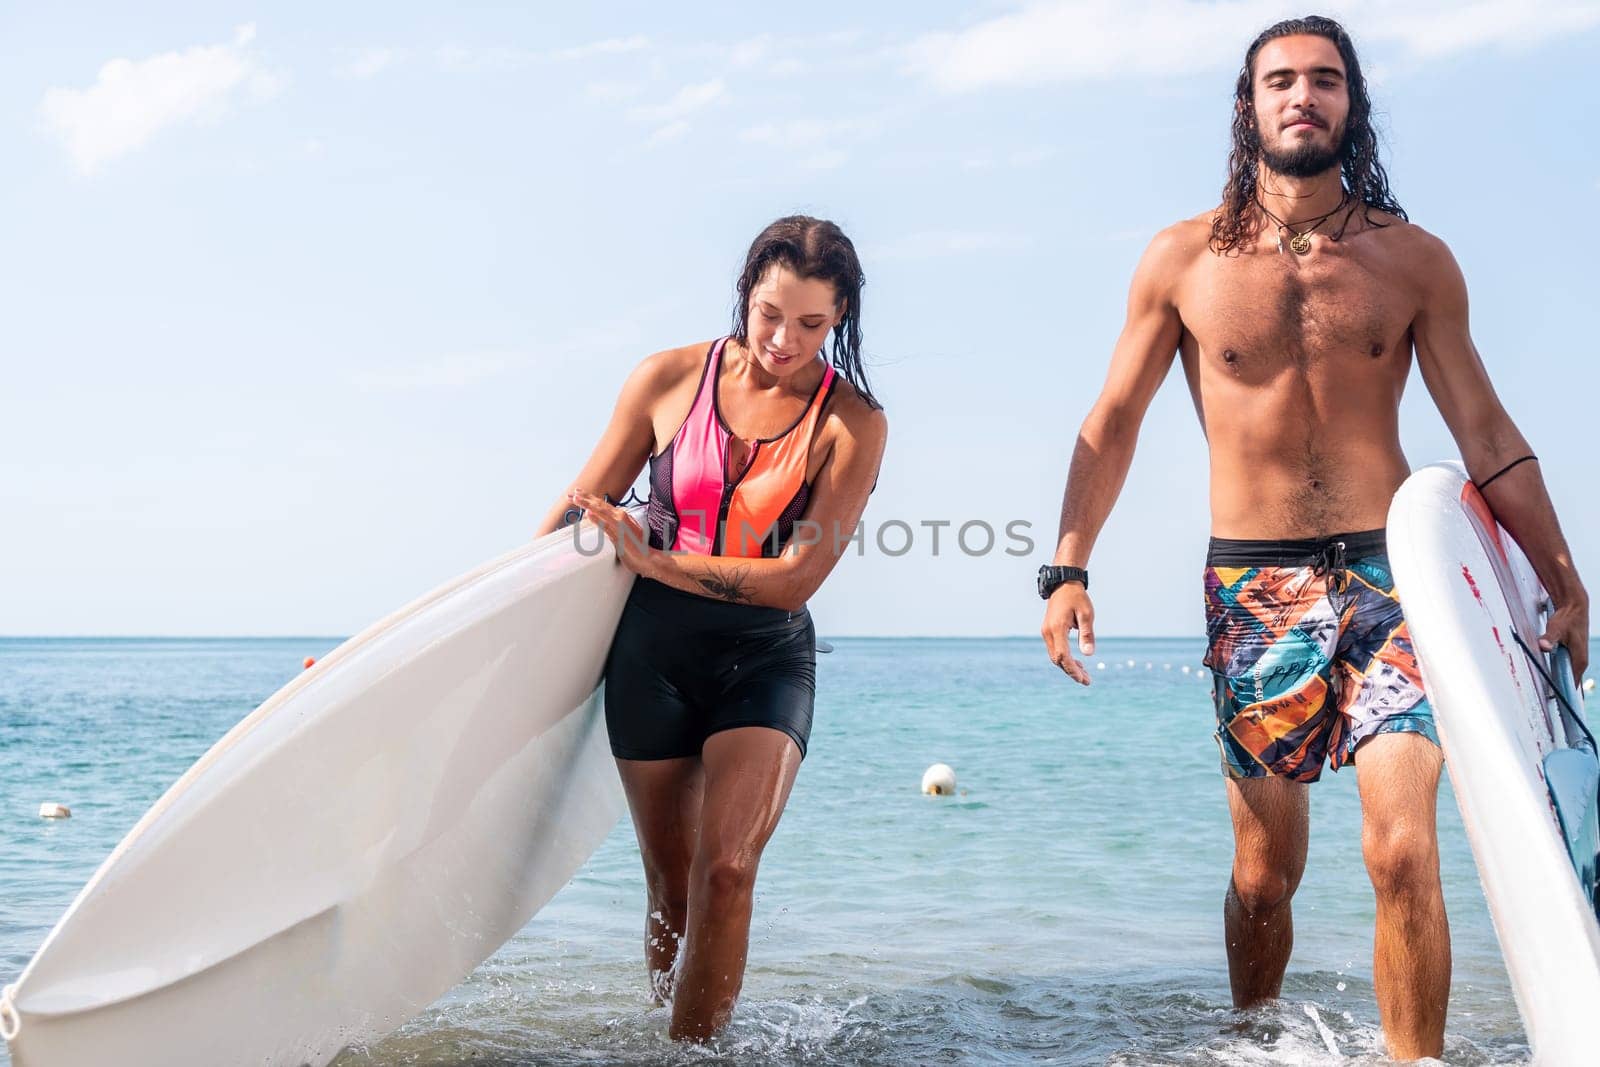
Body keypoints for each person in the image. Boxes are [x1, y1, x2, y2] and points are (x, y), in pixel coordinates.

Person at [1036, 16, 1587, 1061]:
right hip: (1255, 586)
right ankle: (1251, 1041)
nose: (1302, 96)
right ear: (1247, 106)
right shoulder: (1181, 259)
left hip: (1394, 579)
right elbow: (1111, 421)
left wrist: (1561, 576)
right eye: (1280, 80)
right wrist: (1066, 567)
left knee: (1401, 847)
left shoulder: (1412, 260)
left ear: (1351, 103)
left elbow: (1485, 432)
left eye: (1323, 80)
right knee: (1262, 873)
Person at [534, 215, 887, 1042]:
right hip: (650, 653)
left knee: (726, 870)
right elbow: (579, 506)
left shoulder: (852, 423)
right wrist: (491, 629)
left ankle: (702, 1056)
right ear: (746, 294)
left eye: (811, 324)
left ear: (840, 320)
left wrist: (657, 563)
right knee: (672, 884)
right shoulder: (666, 378)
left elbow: (798, 576)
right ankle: (672, 1039)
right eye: (770, 313)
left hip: (762, 658)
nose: (784, 339)